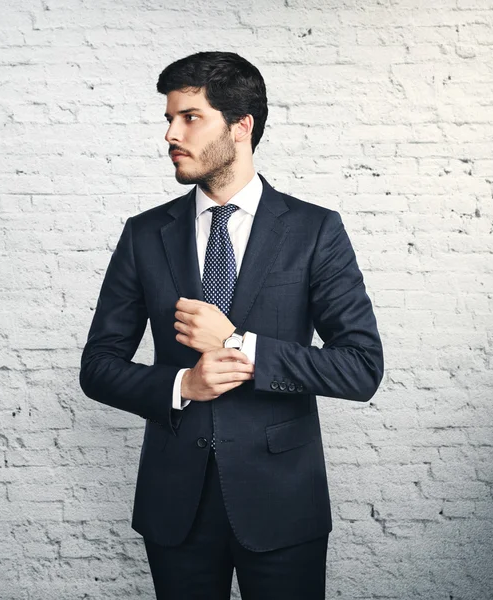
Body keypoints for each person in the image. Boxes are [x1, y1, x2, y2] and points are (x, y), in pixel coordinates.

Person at [79, 51, 383, 600]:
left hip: (283, 502)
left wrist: (240, 345)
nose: (171, 133)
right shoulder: (144, 235)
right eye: (169, 119)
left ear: (241, 127)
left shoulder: (315, 231)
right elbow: (97, 367)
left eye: (189, 117)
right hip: (176, 505)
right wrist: (181, 385)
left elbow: (361, 369)